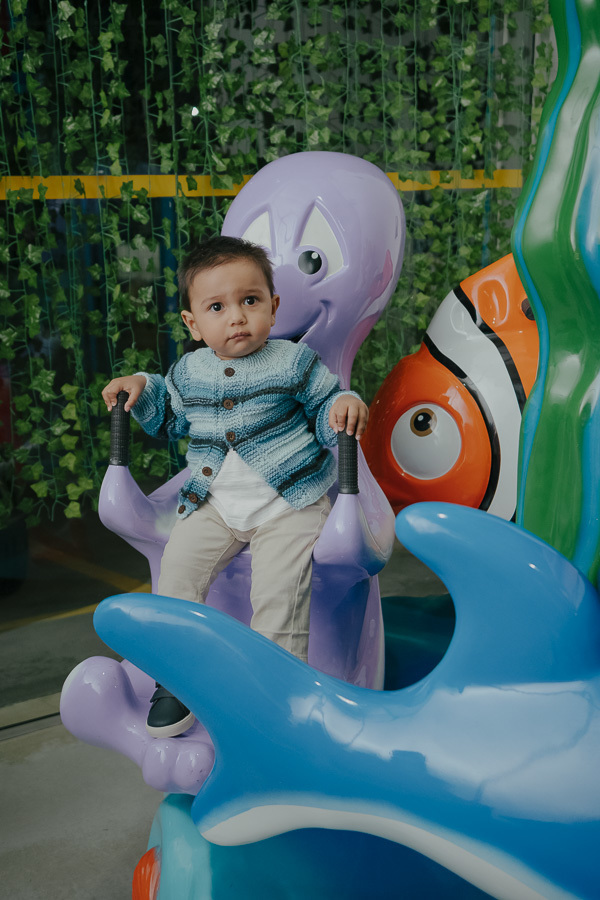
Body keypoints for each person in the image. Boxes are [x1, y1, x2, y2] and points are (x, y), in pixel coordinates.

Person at [102, 236, 369, 738]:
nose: (237, 317)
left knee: (279, 595)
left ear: (274, 306)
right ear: (193, 324)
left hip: (289, 503)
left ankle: (275, 691)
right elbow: (171, 418)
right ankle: (176, 677)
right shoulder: (190, 370)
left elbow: (325, 408)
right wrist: (142, 386)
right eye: (217, 308)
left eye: (250, 300)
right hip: (215, 504)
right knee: (177, 576)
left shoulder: (294, 361)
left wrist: (344, 404)